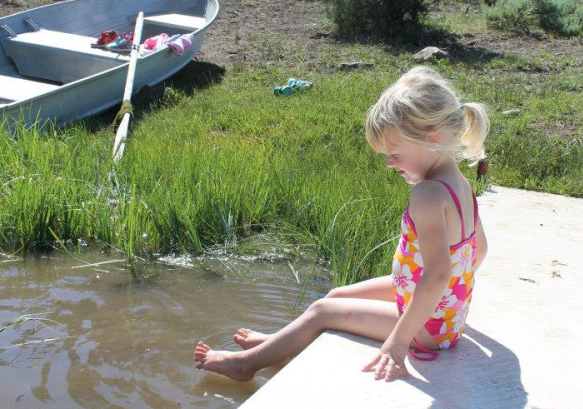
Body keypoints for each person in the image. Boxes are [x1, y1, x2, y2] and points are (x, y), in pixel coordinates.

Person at [194, 66, 490, 382]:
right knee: (334, 296)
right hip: (438, 315)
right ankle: (277, 344)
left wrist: (399, 341)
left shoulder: (428, 194)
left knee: (324, 312)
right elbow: (479, 250)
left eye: (395, 153)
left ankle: (246, 364)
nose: (390, 163)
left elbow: (438, 274)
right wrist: (452, 305)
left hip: (427, 326)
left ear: (431, 140)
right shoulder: (459, 184)